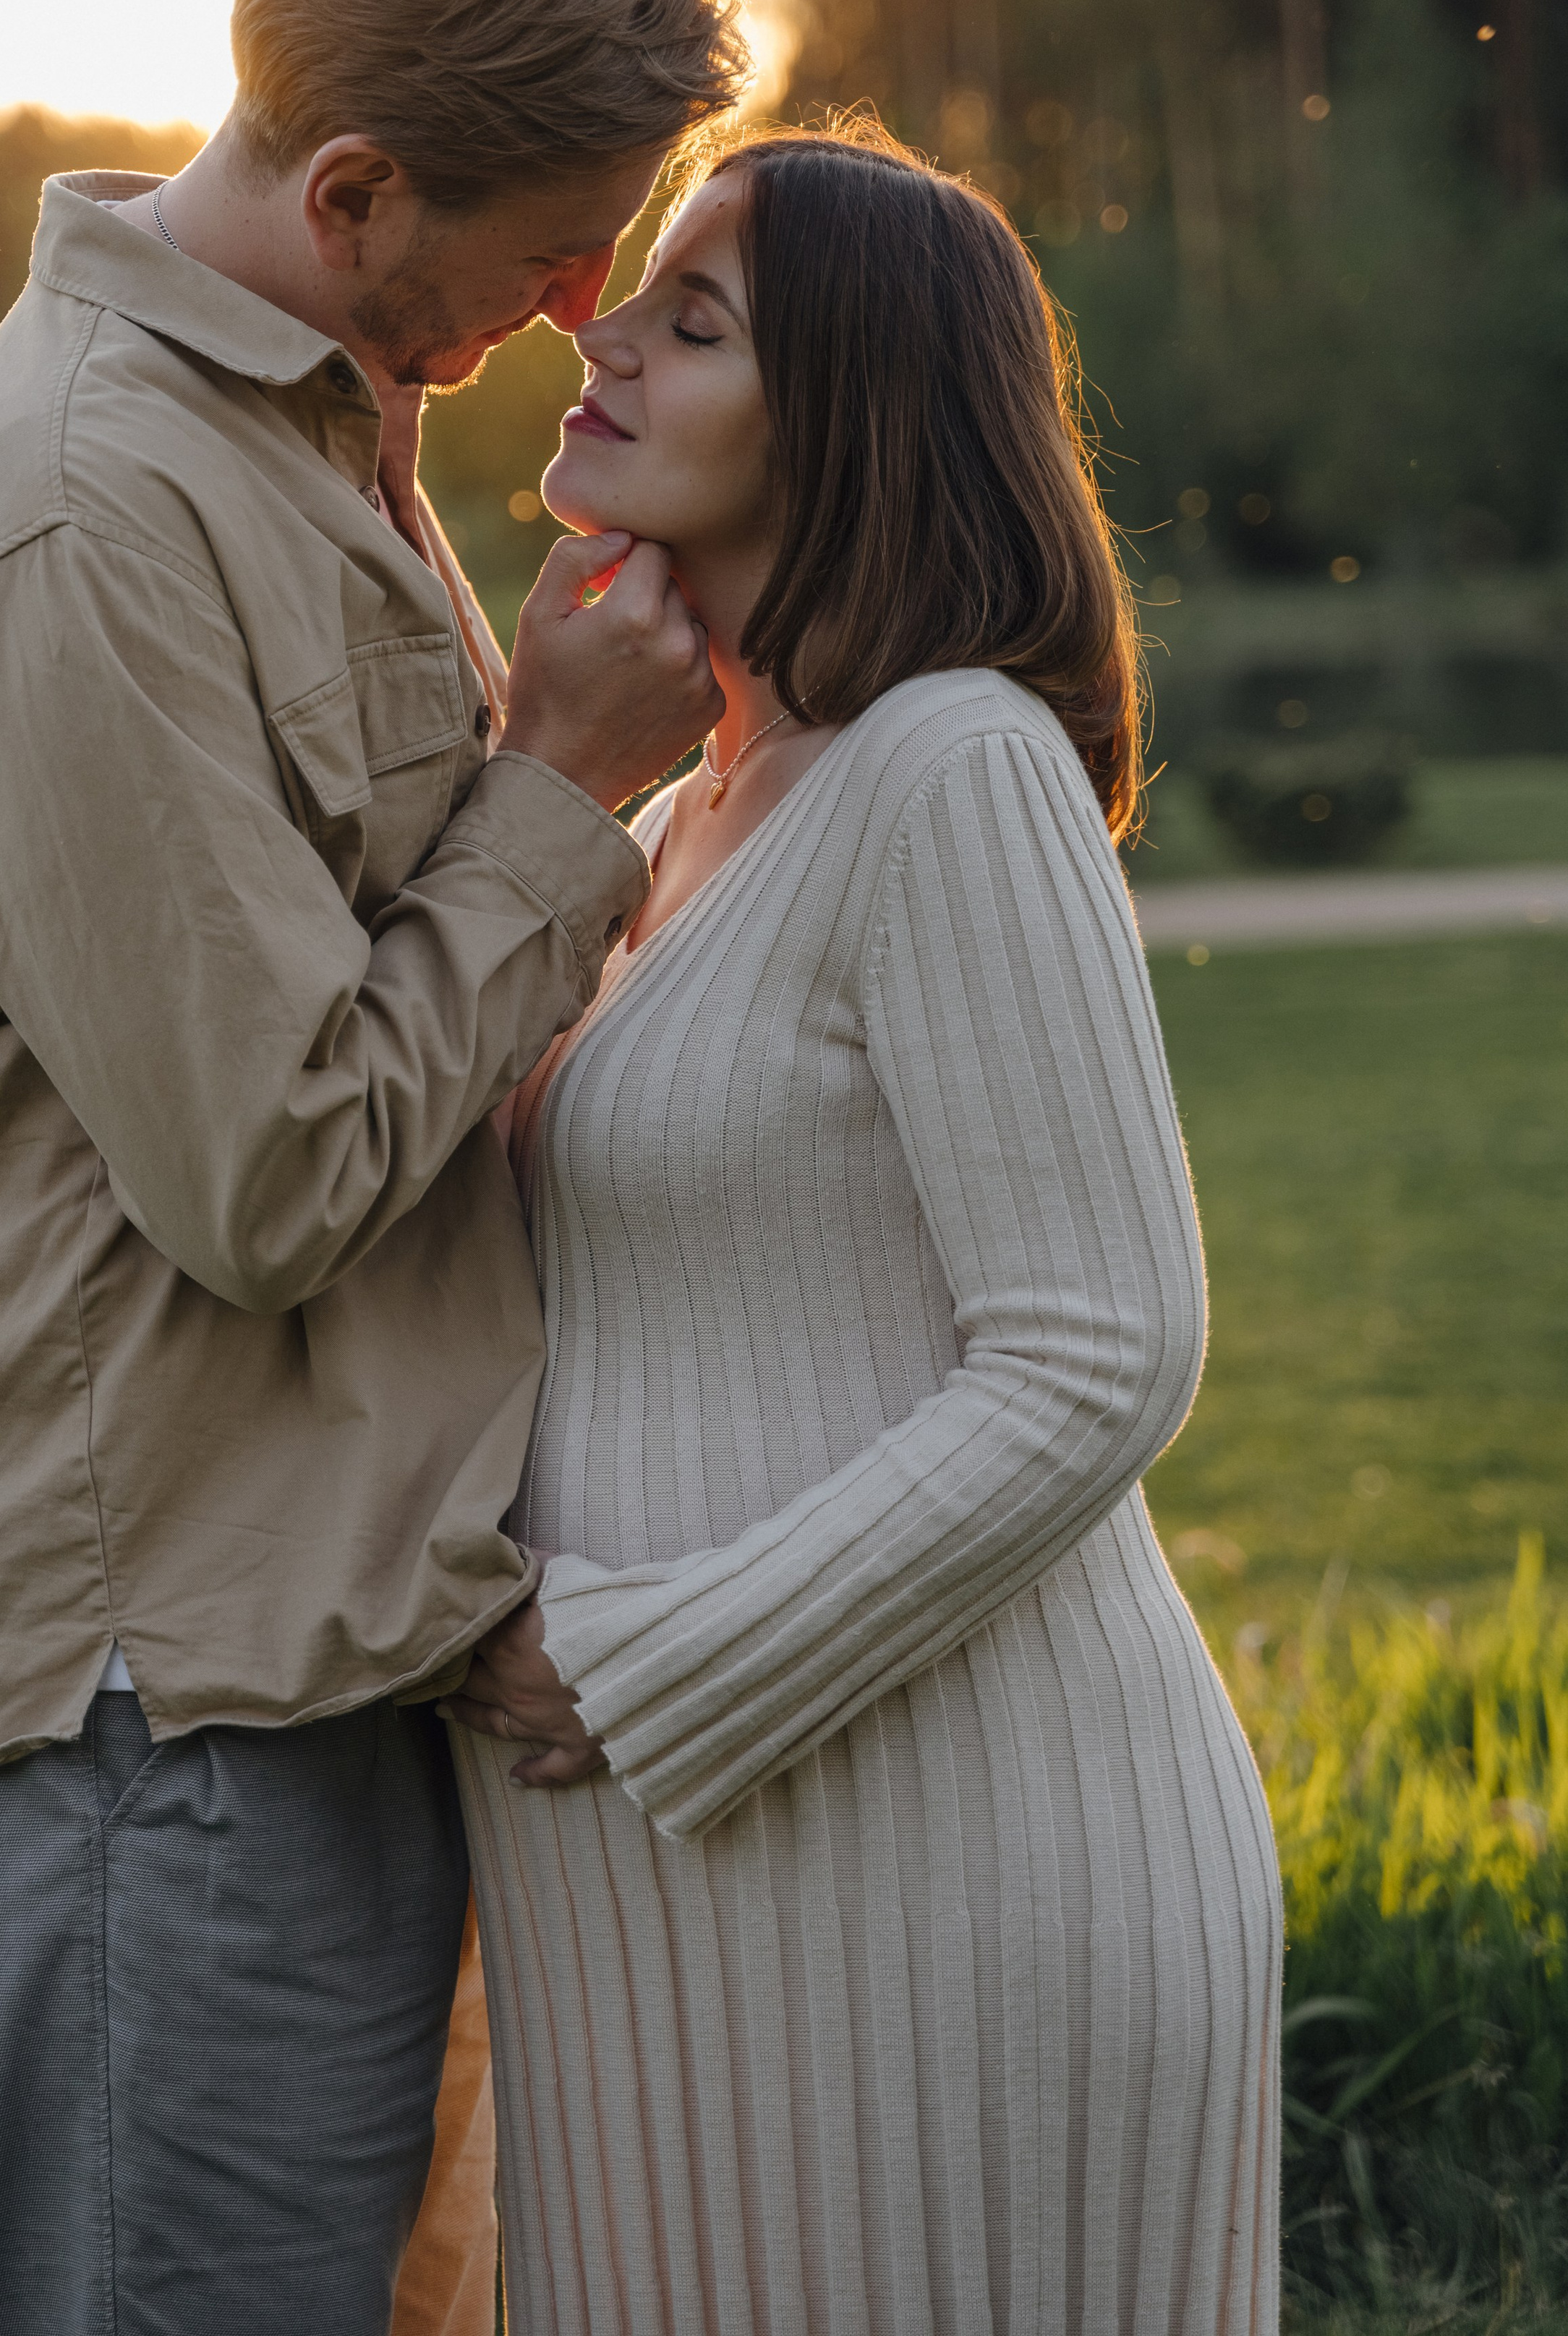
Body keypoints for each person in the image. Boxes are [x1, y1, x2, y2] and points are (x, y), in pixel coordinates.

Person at [0, 0, 749, 2336]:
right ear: (351, 186)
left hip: (291, 1640)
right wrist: (561, 789)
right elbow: (276, 1165)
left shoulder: (313, 433)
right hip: (141, 1705)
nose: (571, 317)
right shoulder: (90, 519)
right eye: (548, 253)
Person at [443, 122, 1284, 2334]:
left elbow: (1101, 1349)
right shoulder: (684, 808)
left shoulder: (954, 769)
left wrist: (644, 1655)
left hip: (955, 1872)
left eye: (694, 319)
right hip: (670, 1898)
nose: (600, 333)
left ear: (857, 423)